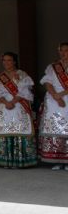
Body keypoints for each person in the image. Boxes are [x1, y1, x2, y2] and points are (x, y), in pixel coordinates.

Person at [0, 52, 37, 168]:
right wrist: (6, 102)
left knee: (20, 130)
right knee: (5, 130)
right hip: (3, 106)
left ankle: (20, 160)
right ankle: (6, 160)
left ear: (14, 61)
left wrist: (13, 102)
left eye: (9, 60)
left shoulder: (22, 74)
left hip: (19, 105)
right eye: (4, 60)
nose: (6, 63)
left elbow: (25, 91)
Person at [39, 42, 68, 170]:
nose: (63, 53)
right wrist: (56, 95)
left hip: (65, 97)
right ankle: (57, 159)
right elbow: (47, 82)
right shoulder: (52, 67)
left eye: (66, 50)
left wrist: (61, 94)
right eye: (61, 50)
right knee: (56, 128)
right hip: (54, 100)